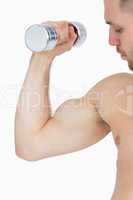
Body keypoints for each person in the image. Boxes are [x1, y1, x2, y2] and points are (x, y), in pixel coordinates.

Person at [15, 0, 133, 199]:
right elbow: (31, 145)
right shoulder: (118, 92)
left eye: (119, 29)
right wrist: (43, 57)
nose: (111, 40)